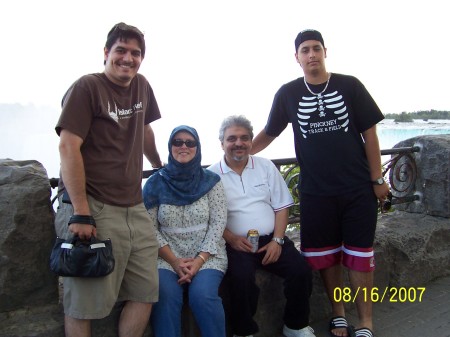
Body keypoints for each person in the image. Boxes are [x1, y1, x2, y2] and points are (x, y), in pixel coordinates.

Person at [250, 29, 391, 337]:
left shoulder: (350, 85)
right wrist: (240, 151)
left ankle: (366, 321)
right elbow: (269, 133)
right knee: (326, 256)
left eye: (316, 48)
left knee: (360, 256)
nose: (311, 54)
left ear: (325, 51)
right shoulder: (288, 94)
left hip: (356, 188)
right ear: (297, 57)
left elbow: (371, 135)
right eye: (305, 50)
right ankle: (338, 313)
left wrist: (377, 178)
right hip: (316, 192)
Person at [54, 22, 163, 337]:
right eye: (121, 51)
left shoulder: (141, 85)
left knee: (146, 292)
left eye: (135, 53)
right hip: (94, 207)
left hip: (134, 206)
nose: (128, 58)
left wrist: (158, 164)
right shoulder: (86, 88)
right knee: (84, 302)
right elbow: (67, 146)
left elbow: (144, 129)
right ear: (106, 53)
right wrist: (80, 210)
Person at [208, 115, 315, 337]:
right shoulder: (211, 175)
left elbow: (282, 206)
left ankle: (295, 325)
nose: (239, 143)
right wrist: (231, 238)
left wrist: (277, 240)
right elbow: (209, 218)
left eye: (245, 138)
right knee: (241, 278)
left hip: (271, 239)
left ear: (251, 141)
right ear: (222, 143)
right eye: (232, 138)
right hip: (236, 243)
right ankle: (244, 331)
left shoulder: (265, 167)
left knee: (301, 271)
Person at [142, 125, 228, 337]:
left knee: (203, 295)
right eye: (177, 142)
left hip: (208, 254)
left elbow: (218, 222)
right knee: (165, 295)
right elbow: (149, 228)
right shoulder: (155, 183)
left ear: (197, 148)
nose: (183, 146)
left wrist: (199, 260)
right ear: (170, 146)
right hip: (166, 256)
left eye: (190, 143)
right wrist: (174, 261)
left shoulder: (211, 181)